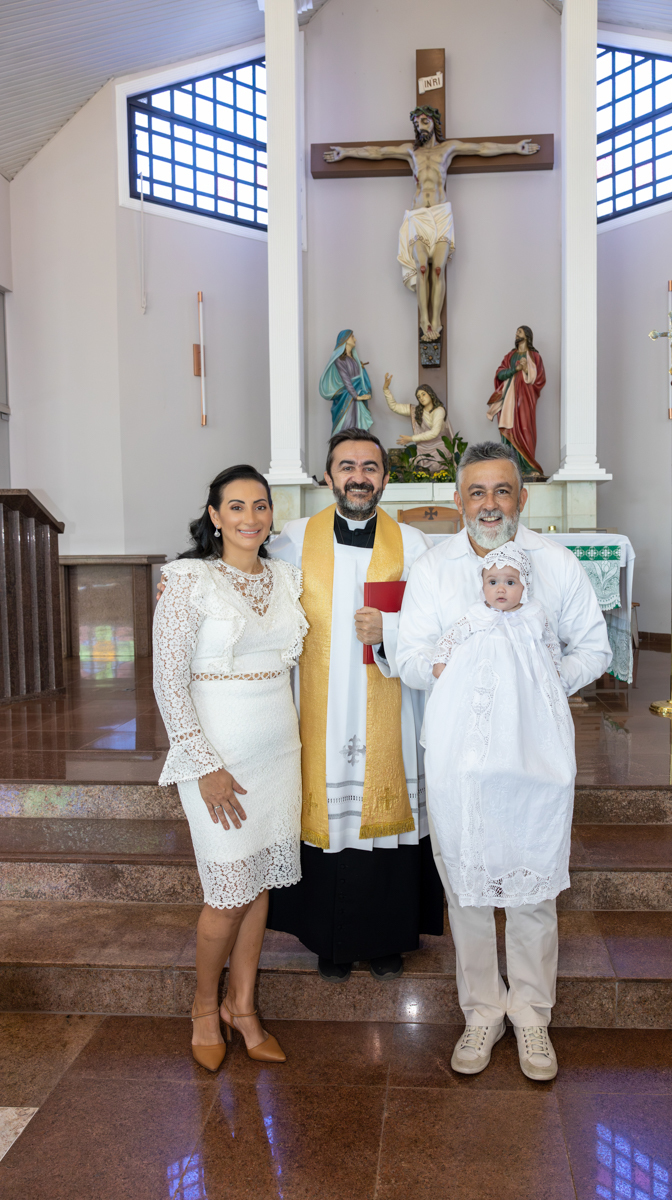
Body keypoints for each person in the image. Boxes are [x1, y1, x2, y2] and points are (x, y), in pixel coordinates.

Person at [397, 442, 611, 1081]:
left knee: (533, 887)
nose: (489, 505)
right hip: (459, 759)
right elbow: (408, 657)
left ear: (523, 497)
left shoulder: (556, 564)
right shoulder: (434, 569)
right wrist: (457, 671)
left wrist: (539, 684)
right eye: (477, 492)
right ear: (458, 500)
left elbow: (594, 647)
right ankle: (482, 1011)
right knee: (466, 890)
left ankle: (532, 1015)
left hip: (532, 756)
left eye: (502, 491)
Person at [266, 430, 443, 981]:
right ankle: (329, 940)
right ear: (328, 477)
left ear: (385, 478)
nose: (359, 477)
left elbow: (436, 624)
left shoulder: (414, 545)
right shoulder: (292, 541)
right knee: (328, 816)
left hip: (390, 697)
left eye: (370, 467)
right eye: (347, 466)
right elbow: (245, 583)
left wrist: (389, 630)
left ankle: (387, 938)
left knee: (386, 816)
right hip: (316, 706)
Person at [153, 464, 308, 1072]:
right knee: (226, 890)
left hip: (278, 752)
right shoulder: (188, 580)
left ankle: (242, 1007)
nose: (251, 517)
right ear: (215, 516)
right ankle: (202, 1005)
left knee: (259, 881)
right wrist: (204, 763)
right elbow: (168, 683)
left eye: (260, 506)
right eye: (236, 507)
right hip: (217, 757)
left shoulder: (287, 577)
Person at [424, 542, 575, 915]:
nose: (501, 589)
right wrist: (442, 664)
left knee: (543, 760)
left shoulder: (535, 616)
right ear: (482, 586)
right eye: (493, 582)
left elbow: (551, 647)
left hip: (526, 700)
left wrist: (554, 677)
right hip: (485, 696)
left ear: (525, 586)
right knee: (477, 750)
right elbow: (449, 639)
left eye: (510, 582)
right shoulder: (476, 615)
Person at [324, 109, 538, 342]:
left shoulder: (448, 149)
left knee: (437, 269)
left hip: (441, 215)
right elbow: (378, 152)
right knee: (422, 268)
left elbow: (481, 148)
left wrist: (515, 148)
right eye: (417, 124)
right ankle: (424, 320)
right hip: (418, 216)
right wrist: (346, 152)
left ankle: (436, 320)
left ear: (434, 122)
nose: (420, 127)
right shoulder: (411, 151)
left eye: (424, 122)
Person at [487, 325, 546, 480]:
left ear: (527, 335)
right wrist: (516, 369)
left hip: (526, 398)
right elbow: (500, 374)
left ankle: (529, 467)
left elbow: (539, 379)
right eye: (516, 332)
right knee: (509, 429)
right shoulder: (510, 356)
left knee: (525, 428)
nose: (516, 334)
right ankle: (510, 468)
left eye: (519, 332)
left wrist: (526, 369)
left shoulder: (535, 356)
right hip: (510, 398)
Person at [383, 374, 454, 472]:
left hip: (439, 446)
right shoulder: (416, 411)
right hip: (423, 448)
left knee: (436, 465)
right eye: (418, 397)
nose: (421, 398)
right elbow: (394, 407)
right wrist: (386, 389)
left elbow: (434, 433)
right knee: (413, 465)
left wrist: (411, 438)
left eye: (423, 394)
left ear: (430, 394)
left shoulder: (439, 410)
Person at [319, 330, 374, 435]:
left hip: (358, 396)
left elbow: (360, 378)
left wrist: (363, 392)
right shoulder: (340, 360)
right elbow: (346, 380)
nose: (355, 339)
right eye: (352, 337)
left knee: (359, 428)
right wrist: (356, 396)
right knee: (347, 426)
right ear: (346, 339)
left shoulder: (354, 360)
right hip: (347, 398)